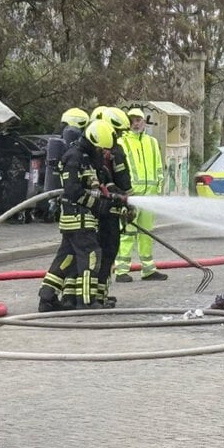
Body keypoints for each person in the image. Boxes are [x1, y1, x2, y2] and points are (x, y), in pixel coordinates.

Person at [37, 119, 123, 311]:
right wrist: (99, 205)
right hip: (77, 217)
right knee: (91, 255)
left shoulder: (87, 158)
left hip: (80, 218)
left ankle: (47, 297)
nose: (103, 153)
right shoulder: (74, 158)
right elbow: (72, 191)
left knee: (66, 258)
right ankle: (87, 301)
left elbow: (95, 184)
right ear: (94, 141)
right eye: (101, 149)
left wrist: (111, 198)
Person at [114, 107, 168, 282]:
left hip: (149, 196)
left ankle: (148, 269)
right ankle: (121, 270)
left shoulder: (152, 142)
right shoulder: (122, 142)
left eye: (138, 120)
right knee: (127, 233)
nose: (135, 123)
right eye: (132, 120)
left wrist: (159, 190)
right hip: (131, 195)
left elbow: (159, 167)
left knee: (147, 233)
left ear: (144, 122)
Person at [94, 107, 134, 306]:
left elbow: (120, 179)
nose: (117, 137)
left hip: (110, 210)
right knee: (101, 252)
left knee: (110, 250)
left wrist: (127, 201)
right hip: (98, 213)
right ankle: (93, 295)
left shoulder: (113, 149)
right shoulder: (96, 152)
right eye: (115, 132)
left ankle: (100, 294)